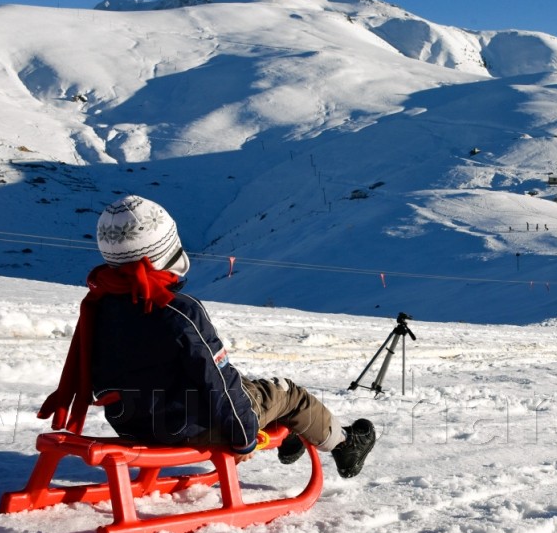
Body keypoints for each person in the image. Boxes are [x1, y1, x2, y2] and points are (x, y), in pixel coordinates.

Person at [38, 195, 375, 477]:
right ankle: (345, 446)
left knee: (246, 385)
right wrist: (243, 438)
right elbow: (218, 381)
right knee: (288, 393)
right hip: (194, 427)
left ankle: (297, 433)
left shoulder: (100, 304)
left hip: (133, 424)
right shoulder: (176, 309)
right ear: (165, 251)